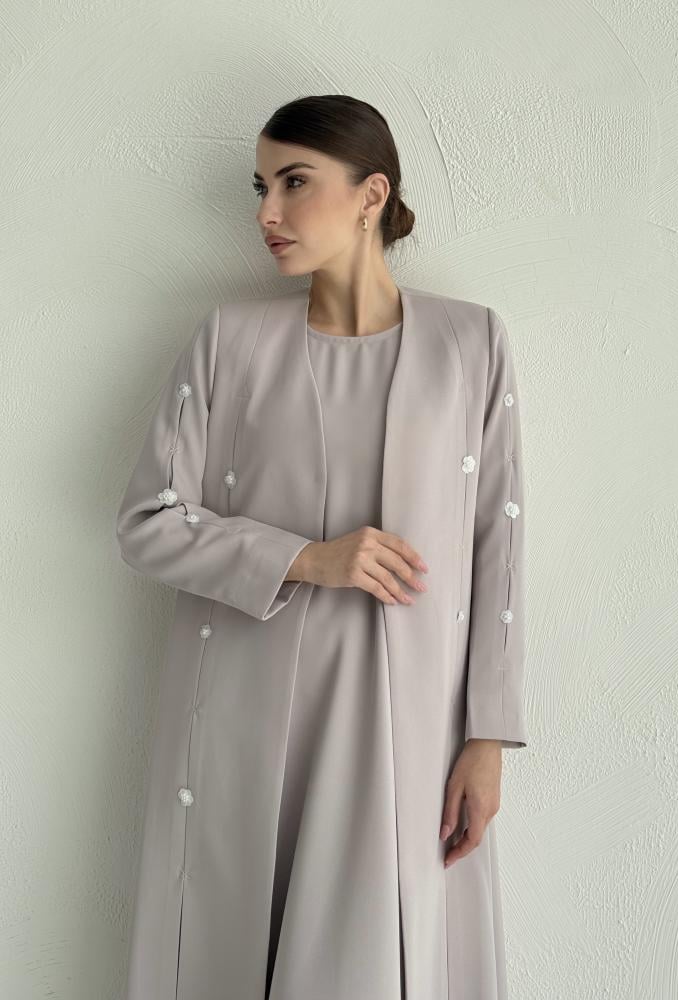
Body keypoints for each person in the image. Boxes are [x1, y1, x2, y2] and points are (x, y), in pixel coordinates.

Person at [116, 94, 528, 1000]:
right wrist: (306, 558)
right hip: (251, 711)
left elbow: (497, 544)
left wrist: (488, 737)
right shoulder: (229, 341)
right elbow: (147, 521)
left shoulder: (472, 343)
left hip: (409, 723)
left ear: (371, 194)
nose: (267, 211)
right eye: (261, 186)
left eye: (294, 182)